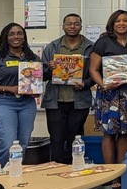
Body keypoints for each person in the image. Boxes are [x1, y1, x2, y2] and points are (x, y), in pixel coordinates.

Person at [88, 10, 127, 186]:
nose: (122, 24)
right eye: (118, 21)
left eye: (125, 21)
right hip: (108, 94)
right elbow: (93, 70)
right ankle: (110, 175)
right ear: (112, 23)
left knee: (124, 133)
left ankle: (121, 172)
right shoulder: (103, 42)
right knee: (109, 133)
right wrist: (103, 84)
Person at [0, 23, 42, 166]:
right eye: (12, 34)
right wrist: (10, 89)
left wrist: (35, 90)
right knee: (8, 144)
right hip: (4, 103)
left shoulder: (32, 58)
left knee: (23, 144)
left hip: (27, 103)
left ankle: (16, 174)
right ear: (5, 37)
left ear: (24, 37)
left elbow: (37, 80)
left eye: (19, 33)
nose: (16, 37)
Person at [40, 14, 94, 164]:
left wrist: (86, 83)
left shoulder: (90, 47)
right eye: (69, 24)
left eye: (76, 24)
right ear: (63, 26)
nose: (72, 27)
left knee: (75, 138)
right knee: (56, 139)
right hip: (55, 101)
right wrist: (49, 69)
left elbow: (96, 73)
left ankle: (75, 168)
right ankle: (57, 170)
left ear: (81, 26)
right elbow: (41, 76)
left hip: (79, 101)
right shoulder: (53, 47)